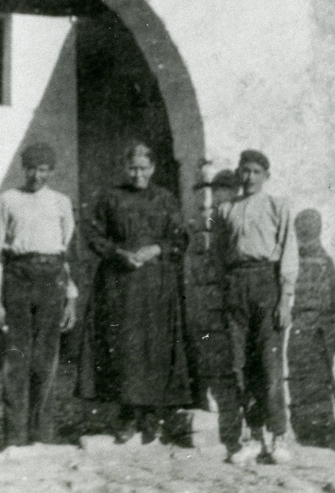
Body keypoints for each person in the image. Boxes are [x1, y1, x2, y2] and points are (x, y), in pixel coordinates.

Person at [77, 142, 193, 444]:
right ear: (124, 168)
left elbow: (180, 238)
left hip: (157, 286)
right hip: (121, 286)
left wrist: (157, 247)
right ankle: (128, 415)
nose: (137, 173)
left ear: (152, 169)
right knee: (126, 348)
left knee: (154, 348)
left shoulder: (165, 199)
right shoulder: (110, 198)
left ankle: (152, 414)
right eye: (132, 167)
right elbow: (92, 234)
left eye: (143, 168)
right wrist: (118, 253)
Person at [0, 143, 79, 447]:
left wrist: (72, 298)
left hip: (52, 280)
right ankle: (15, 436)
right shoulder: (7, 200)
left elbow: (68, 254)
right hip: (18, 278)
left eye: (44, 170)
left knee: (46, 358)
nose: (37, 176)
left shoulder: (61, 202)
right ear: (22, 169)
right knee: (17, 356)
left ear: (51, 171)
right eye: (32, 169)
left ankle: (43, 434)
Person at [212, 149, 296, 464]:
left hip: (267, 284)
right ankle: (253, 435)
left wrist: (285, 298)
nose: (249, 177)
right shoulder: (225, 210)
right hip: (236, 286)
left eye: (256, 172)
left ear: (266, 176)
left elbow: (288, 251)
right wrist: (225, 289)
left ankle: (278, 436)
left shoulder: (278, 206)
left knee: (270, 366)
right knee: (241, 366)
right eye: (244, 171)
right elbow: (218, 253)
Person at [287, 209, 335, 449]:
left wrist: (329, 327)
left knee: (320, 381)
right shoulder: (292, 260)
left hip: (321, 328)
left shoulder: (324, 261)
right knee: (301, 380)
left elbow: (334, 302)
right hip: (300, 325)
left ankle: (325, 430)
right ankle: (307, 429)